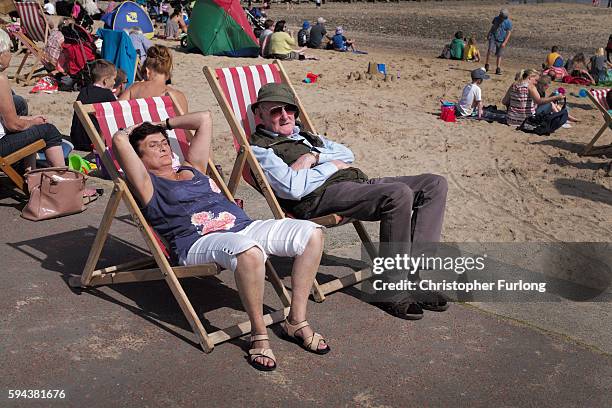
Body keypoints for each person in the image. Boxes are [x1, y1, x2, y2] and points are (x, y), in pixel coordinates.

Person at [112, 111, 329, 371]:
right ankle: (259, 333)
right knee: (248, 253)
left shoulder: (192, 167)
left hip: (243, 227)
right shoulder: (148, 184)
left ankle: (296, 319)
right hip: (196, 241)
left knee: (311, 233)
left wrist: (161, 125)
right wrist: (131, 130)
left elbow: (204, 119)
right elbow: (118, 141)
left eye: (164, 143)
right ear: (139, 158)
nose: (162, 148)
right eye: (152, 146)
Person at [249, 83, 450, 320]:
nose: (285, 116)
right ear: (260, 114)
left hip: (356, 184)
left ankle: (412, 276)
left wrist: (313, 157)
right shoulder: (262, 149)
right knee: (398, 194)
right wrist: (331, 166)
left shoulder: (306, 137)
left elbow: (348, 154)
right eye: (275, 111)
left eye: (289, 109)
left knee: (435, 184)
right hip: (319, 198)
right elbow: (292, 188)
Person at [0, 29, 65, 170]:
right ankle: (63, 181)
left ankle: (29, 170)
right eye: (9, 50)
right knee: (49, 131)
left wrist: (29, 120)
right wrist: (33, 122)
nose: (10, 55)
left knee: (19, 103)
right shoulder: (0, 80)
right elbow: (14, 125)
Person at [119, 45, 188, 113]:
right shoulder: (179, 96)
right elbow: (185, 122)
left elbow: (114, 110)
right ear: (167, 75)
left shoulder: (135, 88)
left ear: (147, 71)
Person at [70, 60, 117, 151]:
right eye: (113, 79)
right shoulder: (107, 94)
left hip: (78, 140)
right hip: (94, 141)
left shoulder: (84, 91)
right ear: (106, 81)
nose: (114, 82)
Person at [485, 9, 512, 75]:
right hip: (493, 37)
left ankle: (498, 68)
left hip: (501, 39)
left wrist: (505, 42)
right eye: (501, 17)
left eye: (503, 18)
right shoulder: (496, 19)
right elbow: (493, 27)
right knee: (489, 50)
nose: (501, 19)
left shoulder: (508, 22)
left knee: (499, 54)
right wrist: (489, 33)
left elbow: (509, 33)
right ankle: (487, 65)